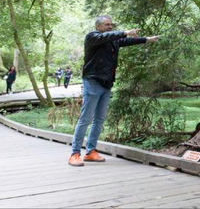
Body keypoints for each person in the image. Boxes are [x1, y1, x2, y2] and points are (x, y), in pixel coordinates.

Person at [68, 16, 159, 167]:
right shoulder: (92, 37)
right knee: (86, 118)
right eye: (106, 24)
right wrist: (125, 32)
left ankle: (90, 152)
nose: (110, 27)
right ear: (98, 27)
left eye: (111, 24)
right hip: (92, 81)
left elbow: (126, 41)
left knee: (100, 119)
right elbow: (109, 36)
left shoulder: (113, 40)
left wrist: (147, 39)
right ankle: (74, 154)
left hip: (106, 83)